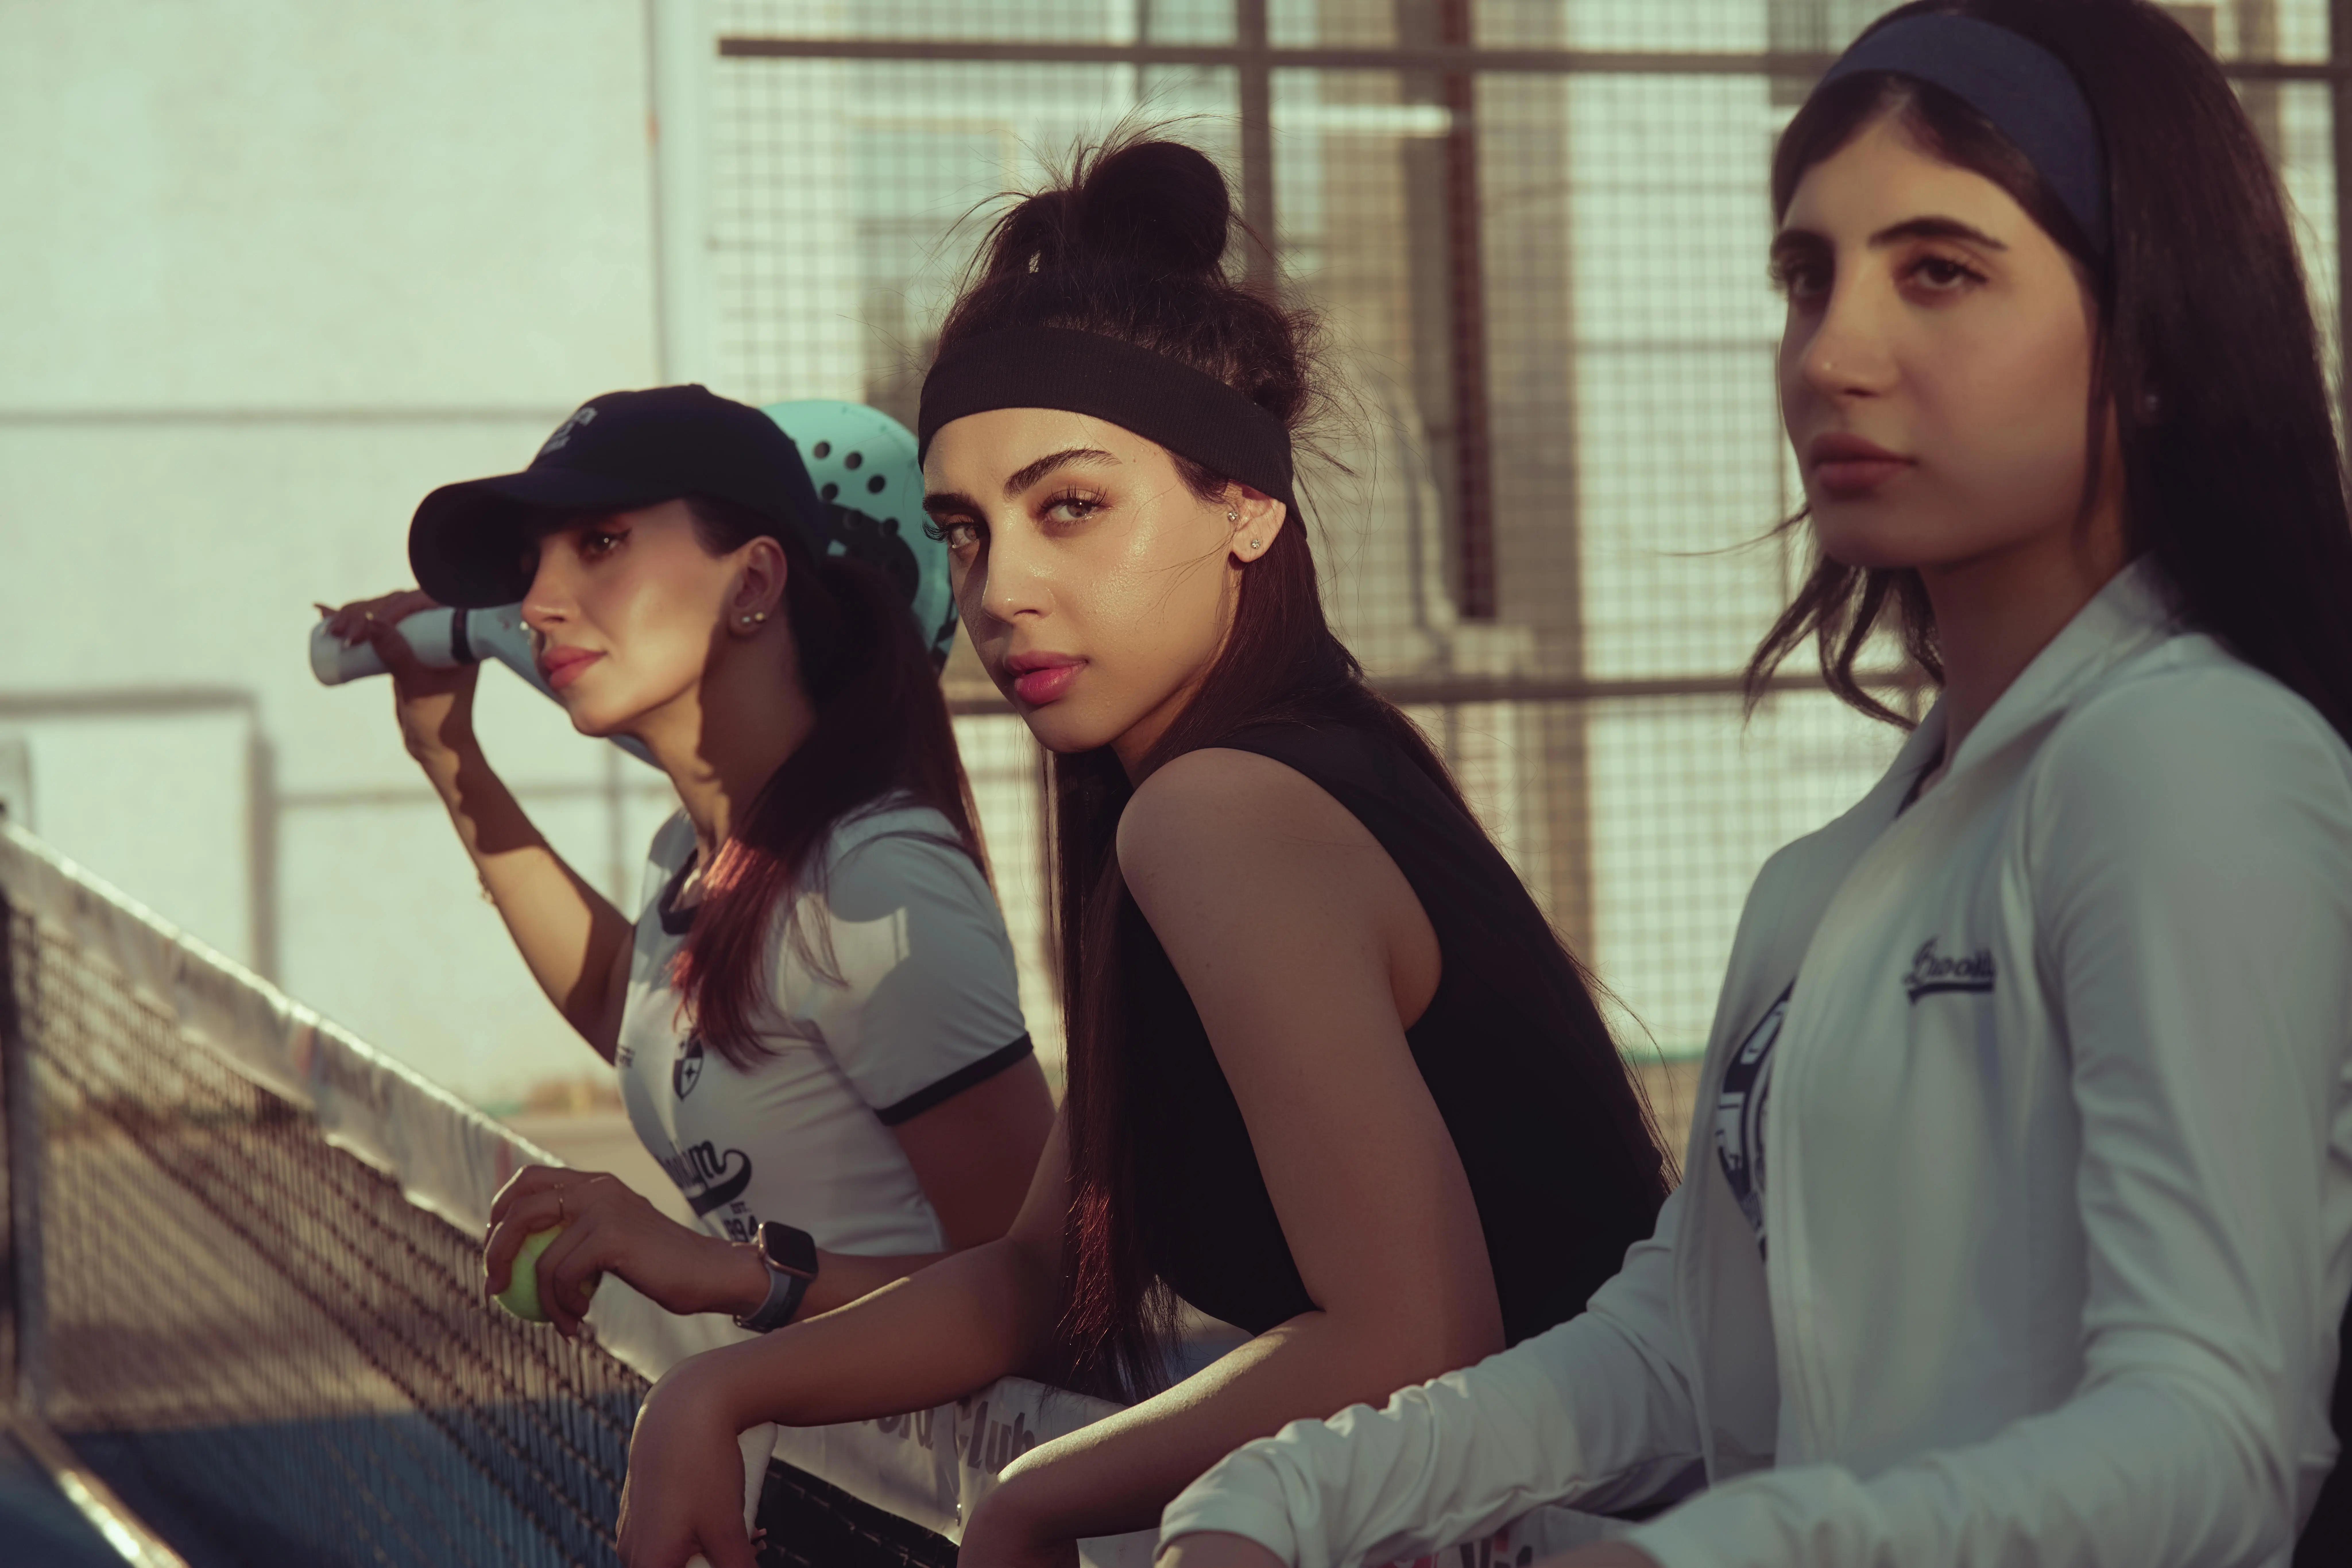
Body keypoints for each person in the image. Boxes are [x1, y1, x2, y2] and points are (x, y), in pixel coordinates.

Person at [1152, 4, 2352, 1567]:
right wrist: (1279, 1495)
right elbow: (1670, 1353)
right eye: (1807, 278)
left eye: (1941, 270)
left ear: (2156, 339)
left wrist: (1703, 1555)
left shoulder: (2191, 764)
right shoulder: (1832, 875)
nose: (1835, 353)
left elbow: (2213, 1442)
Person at [608, 140, 1676, 1568]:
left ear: (1243, 503)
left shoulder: (1223, 812)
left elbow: (1416, 1336)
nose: (1003, 593)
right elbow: (1041, 1281)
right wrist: (716, 1386)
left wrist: (1033, 1500)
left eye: (1071, 507)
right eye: (965, 536)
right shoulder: (1205, 795)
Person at [319, 385, 1054, 1347]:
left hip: (954, 1498)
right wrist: (450, 755)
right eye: (535, 558)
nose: (538, 603)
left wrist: (714, 1269)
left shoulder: (872, 881)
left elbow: (1045, 1292)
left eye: (602, 543)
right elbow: (643, 1022)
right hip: (802, 1478)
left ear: (753, 583)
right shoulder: (695, 853)